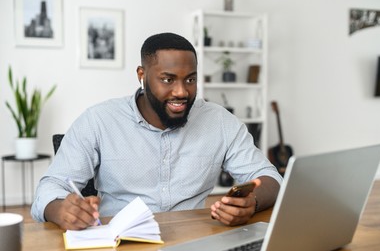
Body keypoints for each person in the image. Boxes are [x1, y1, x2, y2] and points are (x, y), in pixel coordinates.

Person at [31, 32, 282, 230]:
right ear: (142, 75)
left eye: (190, 79)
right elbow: (50, 186)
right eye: (168, 79)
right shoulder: (98, 121)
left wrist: (252, 202)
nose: (181, 91)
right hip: (120, 246)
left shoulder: (220, 122)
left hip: (194, 242)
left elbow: (270, 178)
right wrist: (60, 209)